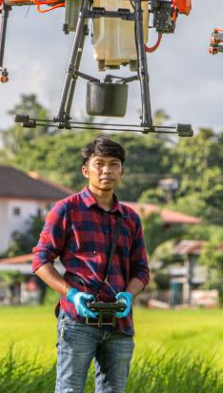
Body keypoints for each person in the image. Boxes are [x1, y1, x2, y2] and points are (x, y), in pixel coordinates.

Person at [33, 135, 150, 393]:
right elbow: (41, 261)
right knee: (69, 389)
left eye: (114, 164)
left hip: (119, 322)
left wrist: (128, 296)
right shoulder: (66, 210)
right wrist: (71, 294)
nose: (107, 170)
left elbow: (141, 270)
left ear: (122, 170)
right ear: (86, 170)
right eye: (99, 163)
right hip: (77, 320)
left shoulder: (130, 218)